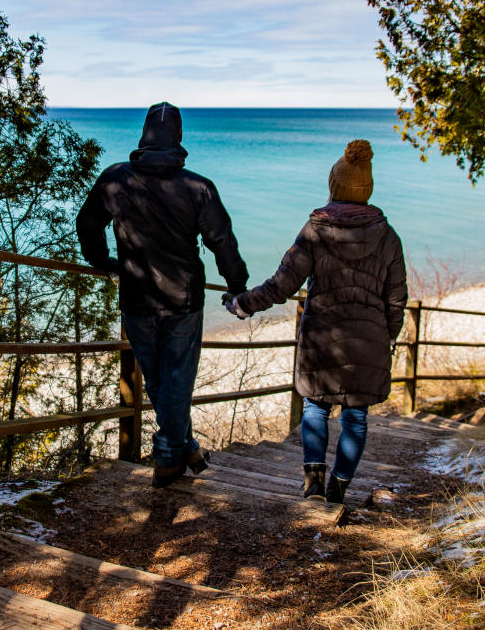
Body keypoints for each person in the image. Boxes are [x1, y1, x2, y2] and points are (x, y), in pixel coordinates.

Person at [76, 102, 248, 488]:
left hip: (137, 298)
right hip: (182, 301)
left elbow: (87, 222)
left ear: (144, 135)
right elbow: (222, 241)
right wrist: (237, 285)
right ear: (179, 138)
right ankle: (171, 458)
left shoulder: (115, 179)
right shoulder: (198, 187)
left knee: (159, 383)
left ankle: (181, 449)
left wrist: (102, 260)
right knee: (172, 383)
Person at [226, 140, 407, 504]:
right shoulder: (388, 236)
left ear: (334, 186)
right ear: (366, 189)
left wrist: (242, 304)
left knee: (315, 407)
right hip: (368, 339)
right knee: (356, 417)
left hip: (321, 336)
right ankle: (338, 487)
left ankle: (312, 484)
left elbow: (282, 284)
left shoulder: (315, 229)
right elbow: (396, 298)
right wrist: (387, 336)